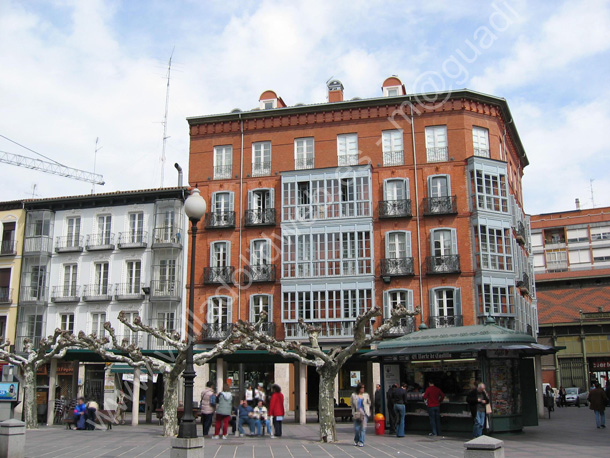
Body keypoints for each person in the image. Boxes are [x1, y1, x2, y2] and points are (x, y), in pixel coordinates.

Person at [351, 383, 371, 447]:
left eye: (363, 388)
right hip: (357, 413)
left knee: (363, 428)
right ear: (359, 388)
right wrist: (353, 412)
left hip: (364, 413)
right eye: (362, 388)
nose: (363, 389)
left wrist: (367, 410)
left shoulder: (366, 395)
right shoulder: (354, 395)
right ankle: (356, 440)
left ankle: (361, 441)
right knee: (357, 428)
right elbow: (352, 404)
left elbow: (369, 403)